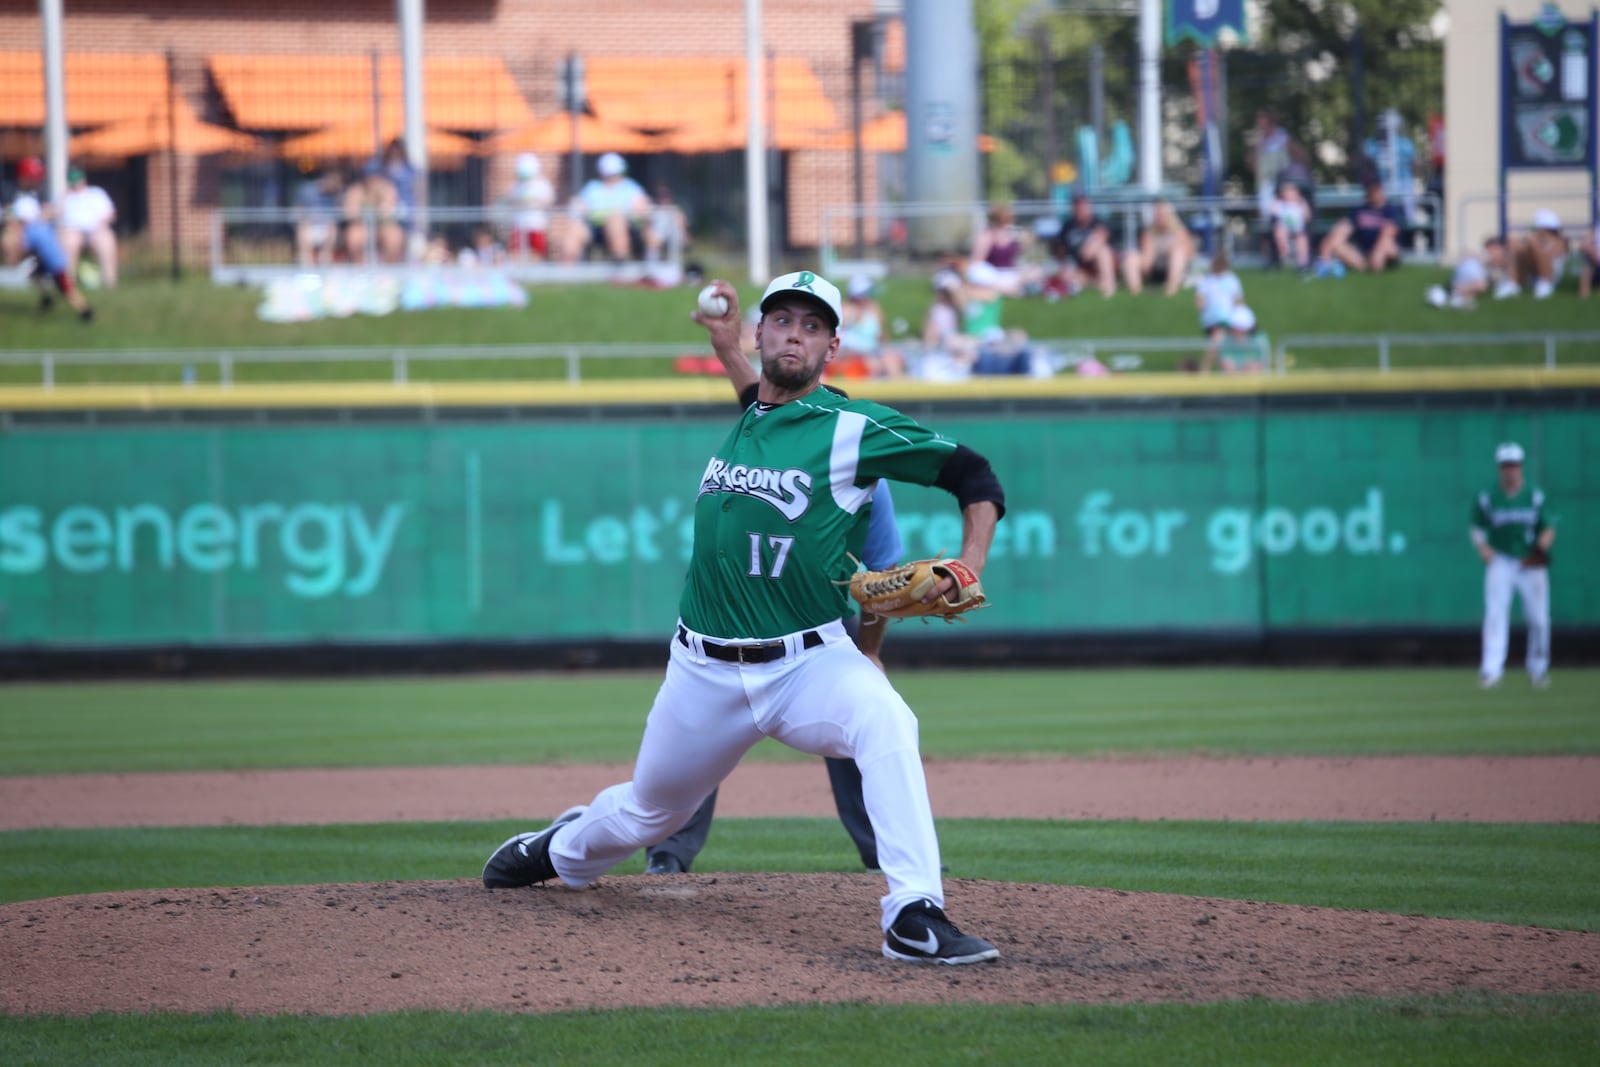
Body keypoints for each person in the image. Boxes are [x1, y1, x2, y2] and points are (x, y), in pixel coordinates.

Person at [481, 268, 1006, 966]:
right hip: (701, 668)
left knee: (888, 720)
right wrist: (727, 348)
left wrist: (970, 562)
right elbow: (760, 397)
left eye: (813, 325)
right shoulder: (753, 418)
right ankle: (559, 850)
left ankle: (914, 911)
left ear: (833, 346)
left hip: (809, 662)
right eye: (784, 319)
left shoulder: (851, 429)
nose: (796, 333)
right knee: (649, 811)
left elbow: (975, 475)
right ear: (763, 333)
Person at [644, 346, 904, 876]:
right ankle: (668, 854)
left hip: (819, 622)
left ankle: (886, 855)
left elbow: (882, 577)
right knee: (700, 734)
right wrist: (724, 348)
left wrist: (870, 651)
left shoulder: (866, 475)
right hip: (736, 609)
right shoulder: (767, 446)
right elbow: (756, 399)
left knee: (863, 726)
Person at [1471, 442, 1557, 689]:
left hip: (1530, 561)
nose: (1510, 469)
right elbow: (1477, 527)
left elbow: (1549, 527)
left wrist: (1541, 547)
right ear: (1500, 468)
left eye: (1514, 464)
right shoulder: (1488, 497)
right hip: (1501, 560)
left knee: (1539, 619)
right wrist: (1483, 547)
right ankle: (1491, 670)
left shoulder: (1535, 496)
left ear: (1521, 466)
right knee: (1495, 615)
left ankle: (1538, 669)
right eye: (1505, 465)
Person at [7, 194, 92, 322]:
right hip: (51, 261)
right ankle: (46, 299)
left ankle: (86, 312)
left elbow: (24, 249)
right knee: (34, 275)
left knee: (68, 291)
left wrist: (13, 239)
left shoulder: (31, 230)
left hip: (55, 264)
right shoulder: (40, 224)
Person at [559, 152, 652, 265]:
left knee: (615, 221)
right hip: (595, 230)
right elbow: (579, 207)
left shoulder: (630, 187)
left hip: (626, 228)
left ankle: (619, 266)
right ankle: (567, 273)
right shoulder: (592, 188)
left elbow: (643, 208)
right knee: (574, 229)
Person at [1317, 180, 1404, 274]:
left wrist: (1377, 255)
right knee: (1335, 242)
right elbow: (1344, 227)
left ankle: (1376, 264)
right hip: (1364, 252)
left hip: (1384, 249)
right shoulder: (1360, 210)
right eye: (1371, 191)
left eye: (1377, 190)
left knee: (1386, 245)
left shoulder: (1390, 210)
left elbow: (1388, 233)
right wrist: (1333, 240)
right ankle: (1328, 265)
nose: (1375, 193)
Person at [56, 166, 118, 288]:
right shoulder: (63, 197)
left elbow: (111, 214)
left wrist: (102, 223)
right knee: (70, 241)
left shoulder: (96, 193)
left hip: (95, 230)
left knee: (106, 240)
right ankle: (68, 284)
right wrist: (65, 196)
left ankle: (110, 283)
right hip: (71, 231)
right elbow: (56, 215)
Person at [1121, 198, 1194, 296]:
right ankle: (1136, 290)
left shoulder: (1179, 231)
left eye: (1161, 214)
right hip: (1154, 268)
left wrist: (1171, 250)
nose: (1159, 217)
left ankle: (1171, 287)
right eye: (1157, 214)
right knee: (1131, 256)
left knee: (1178, 253)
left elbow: (1189, 254)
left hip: (1175, 268)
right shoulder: (1149, 232)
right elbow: (1147, 262)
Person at [1048, 192, 1116, 297]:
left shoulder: (1097, 222)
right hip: (1077, 266)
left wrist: (1090, 247)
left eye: (1082, 205)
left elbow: (1102, 235)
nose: (1080, 208)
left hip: (1095, 263)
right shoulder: (1068, 226)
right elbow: (1061, 250)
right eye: (1077, 205)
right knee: (1064, 274)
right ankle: (1095, 283)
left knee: (1103, 251)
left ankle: (1108, 284)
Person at [1248, 110, 1310, 222]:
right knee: (1267, 213)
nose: (1260, 127)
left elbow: (1301, 156)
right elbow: (1252, 167)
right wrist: (1256, 148)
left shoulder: (1283, 138)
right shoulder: (1259, 142)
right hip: (1266, 185)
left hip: (1283, 184)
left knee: (1286, 215)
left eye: (1263, 124)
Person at [969, 203, 1041, 296]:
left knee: (1036, 271)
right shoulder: (988, 234)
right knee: (977, 272)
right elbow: (978, 261)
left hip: (1011, 273)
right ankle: (1008, 289)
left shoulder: (1012, 233)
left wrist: (1025, 244)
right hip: (994, 273)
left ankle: (1008, 289)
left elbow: (1014, 255)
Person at [1495, 211, 1569, 300]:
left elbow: (1551, 255)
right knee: (1513, 241)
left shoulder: (1560, 241)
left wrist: (1537, 245)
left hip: (1550, 277)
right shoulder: (1533, 240)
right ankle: (1512, 284)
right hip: (1531, 275)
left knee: (1532, 242)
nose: (1534, 230)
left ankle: (1544, 283)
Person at [1194, 249, 1243, 374]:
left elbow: (1238, 301)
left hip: (1228, 319)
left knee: (1219, 344)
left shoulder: (1231, 279)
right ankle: (1206, 369)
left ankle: (1212, 370)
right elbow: (1199, 302)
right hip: (1212, 319)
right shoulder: (1207, 280)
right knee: (1218, 342)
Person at [501, 153, 554, 261]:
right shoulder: (515, 185)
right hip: (519, 225)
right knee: (516, 252)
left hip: (536, 224)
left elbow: (548, 201)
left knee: (536, 252)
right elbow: (509, 200)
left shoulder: (542, 184)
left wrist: (534, 201)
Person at [1427, 237, 1503, 311]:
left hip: (1469, 272)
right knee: (1480, 286)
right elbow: (1464, 254)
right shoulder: (1481, 254)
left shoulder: (1495, 263)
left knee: (1478, 287)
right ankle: (1452, 294)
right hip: (1471, 268)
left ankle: (1451, 295)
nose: (1498, 252)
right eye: (1496, 249)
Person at [293, 169, 345, 268]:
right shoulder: (308, 190)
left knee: (332, 229)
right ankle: (308, 269)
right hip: (309, 226)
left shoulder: (337, 194)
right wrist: (305, 218)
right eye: (334, 183)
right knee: (302, 230)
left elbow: (340, 214)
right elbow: (297, 210)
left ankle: (325, 267)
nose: (336, 186)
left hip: (327, 228)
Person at [1269, 180, 1312, 273]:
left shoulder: (1301, 203)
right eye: (1287, 192)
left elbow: (1308, 217)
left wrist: (1303, 204)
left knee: (1302, 239)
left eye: (1293, 192)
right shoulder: (1280, 203)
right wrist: (1276, 201)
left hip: (1298, 229)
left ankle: (1303, 264)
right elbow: (1273, 214)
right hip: (1284, 227)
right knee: (1279, 231)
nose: (1290, 194)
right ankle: (1285, 251)